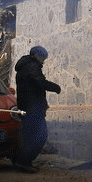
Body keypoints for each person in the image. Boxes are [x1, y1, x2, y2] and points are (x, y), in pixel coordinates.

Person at [13, 45, 61, 173]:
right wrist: (55, 87)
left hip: (27, 106)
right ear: (36, 55)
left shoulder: (24, 66)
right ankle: (24, 162)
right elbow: (40, 82)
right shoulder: (32, 66)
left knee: (30, 135)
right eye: (42, 58)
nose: (43, 61)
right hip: (32, 107)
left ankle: (23, 162)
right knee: (40, 135)